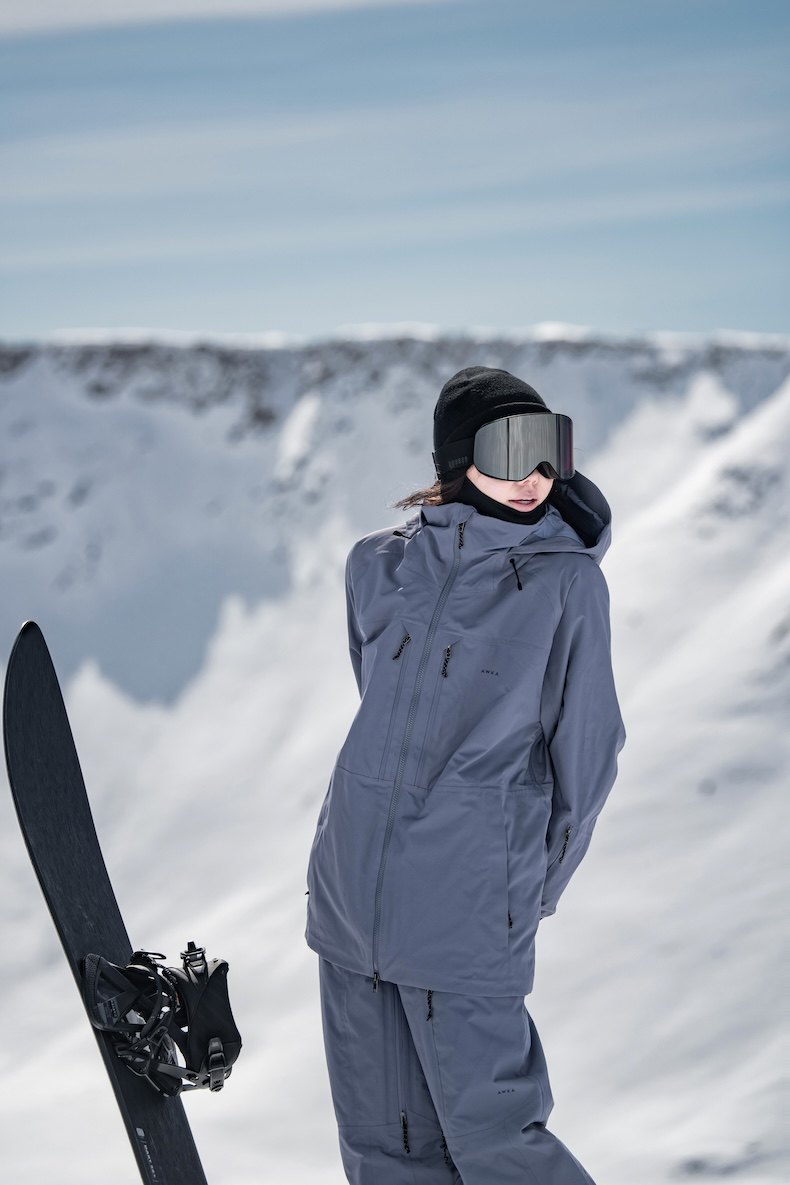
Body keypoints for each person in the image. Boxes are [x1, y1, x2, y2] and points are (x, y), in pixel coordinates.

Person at [304, 366, 627, 1184]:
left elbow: (587, 757)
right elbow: (378, 702)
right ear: (456, 458)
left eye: (550, 449)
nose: (535, 474)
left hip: (466, 906)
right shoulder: (377, 565)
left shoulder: (565, 583)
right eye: (511, 448)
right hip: (350, 901)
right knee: (382, 1150)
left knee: (499, 1145)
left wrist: (518, 891)